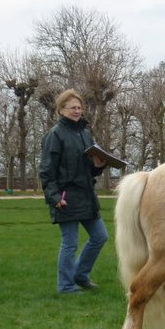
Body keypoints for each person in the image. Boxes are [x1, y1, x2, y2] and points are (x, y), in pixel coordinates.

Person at [39, 89, 109, 294]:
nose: (77, 111)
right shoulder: (54, 135)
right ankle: (66, 286)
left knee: (100, 236)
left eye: (79, 107)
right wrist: (54, 197)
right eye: (72, 108)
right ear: (61, 110)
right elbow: (46, 170)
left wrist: (98, 165)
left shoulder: (85, 134)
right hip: (65, 197)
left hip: (86, 196)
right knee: (69, 244)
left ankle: (80, 275)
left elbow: (89, 169)